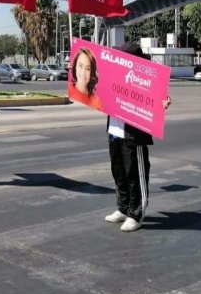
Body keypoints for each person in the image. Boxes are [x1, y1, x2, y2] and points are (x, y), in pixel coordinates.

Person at [105, 42, 172, 232]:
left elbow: (158, 98)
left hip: (134, 134)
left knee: (135, 175)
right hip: (114, 132)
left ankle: (136, 214)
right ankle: (123, 208)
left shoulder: (147, 78)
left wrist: (163, 103)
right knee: (119, 173)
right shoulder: (115, 76)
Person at [68, 47, 103, 111]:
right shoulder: (68, 90)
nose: (83, 72)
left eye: (87, 69)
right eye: (80, 66)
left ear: (91, 73)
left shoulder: (97, 102)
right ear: (75, 66)